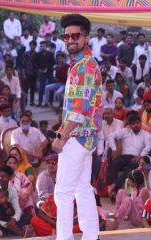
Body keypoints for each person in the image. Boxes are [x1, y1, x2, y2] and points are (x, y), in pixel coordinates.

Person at [51, 14, 103, 240]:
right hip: (86, 138)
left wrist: (61, 135)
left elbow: (79, 112)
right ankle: (91, 236)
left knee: (62, 193)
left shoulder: (83, 67)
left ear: (86, 38)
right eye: (66, 36)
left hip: (76, 137)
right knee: (82, 189)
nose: (70, 40)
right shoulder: (85, 64)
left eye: (75, 35)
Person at [107, 114, 151, 195]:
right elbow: (110, 136)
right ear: (130, 125)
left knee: (132, 166)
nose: (136, 125)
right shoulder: (125, 131)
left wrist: (140, 155)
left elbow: (149, 146)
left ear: (140, 123)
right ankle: (114, 189)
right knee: (115, 163)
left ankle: (114, 187)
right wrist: (114, 149)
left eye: (138, 123)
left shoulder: (145, 134)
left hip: (136, 157)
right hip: (124, 156)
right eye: (133, 124)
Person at [0, 165, 32, 238]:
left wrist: (14, 219)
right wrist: (6, 224)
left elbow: (17, 209)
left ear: (10, 177)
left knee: (28, 216)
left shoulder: (12, 190)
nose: (0, 179)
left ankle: (5, 230)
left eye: (4, 176)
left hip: (8, 217)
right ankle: (11, 229)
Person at [37, 41, 55, 107]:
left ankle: (50, 101)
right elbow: (36, 63)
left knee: (51, 86)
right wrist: (39, 69)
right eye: (41, 46)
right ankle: (40, 102)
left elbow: (53, 62)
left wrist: (47, 68)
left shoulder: (50, 54)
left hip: (49, 72)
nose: (42, 47)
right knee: (41, 87)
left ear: (46, 47)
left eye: (44, 46)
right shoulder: (38, 54)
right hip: (42, 72)